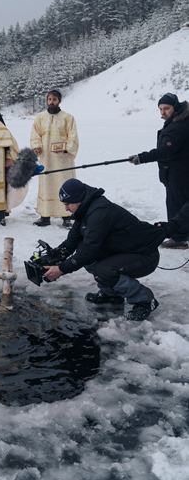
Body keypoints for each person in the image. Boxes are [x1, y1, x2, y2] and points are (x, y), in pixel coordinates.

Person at [42, 178, 172, 321]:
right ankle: (111, 294)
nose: (66, 209)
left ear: (78, 199)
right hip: (122, 251)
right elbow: (71, 242)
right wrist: (54, 256)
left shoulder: (99, 212)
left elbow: (89, 250)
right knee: (84, 254)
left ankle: (145, 300)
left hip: (143, 256)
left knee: (103, 270)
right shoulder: (84, 210)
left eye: (68, 204)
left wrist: (61, 269)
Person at [129, 92, 189, 249]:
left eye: (166, 108)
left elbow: (165, 151)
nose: (163, 112)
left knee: (176, 205)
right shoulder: (180, 120)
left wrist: (141, 158)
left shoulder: (178, 126)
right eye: (160, 109)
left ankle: (179, 238)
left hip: (179, 173)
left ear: (175, 107)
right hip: (180, 171)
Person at [30, 89, 79, 228]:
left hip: (63, 159)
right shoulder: (40, 118)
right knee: (46, 184)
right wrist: (37, 147)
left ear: (59, 101)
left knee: (65, 185)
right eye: (49, 99)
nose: (51, 102)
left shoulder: (68, 118)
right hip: (46, 158)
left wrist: (66, 148)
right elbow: (35, 134)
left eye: (54, 99)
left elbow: (73, 136)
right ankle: (45, 216)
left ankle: (66, 216)